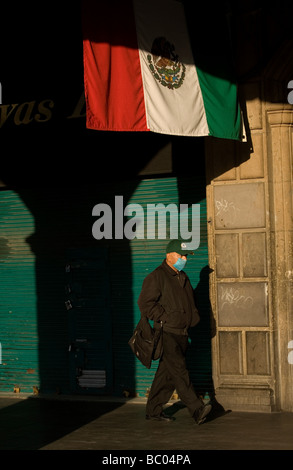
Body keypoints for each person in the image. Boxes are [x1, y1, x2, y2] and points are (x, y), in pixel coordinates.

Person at [137, 239, 212, 425]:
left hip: (182, 332)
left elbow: (189, 303)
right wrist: (164, 317)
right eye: (181, 255)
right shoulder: (157, 276)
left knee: (167, 374)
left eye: (185, 256)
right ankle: (197, 409)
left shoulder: (183, 277)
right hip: (166, 332)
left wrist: (193, 318)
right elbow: (145, 303)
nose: (184, 259)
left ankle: (153, 410)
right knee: (179, 370)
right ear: (169, 255)